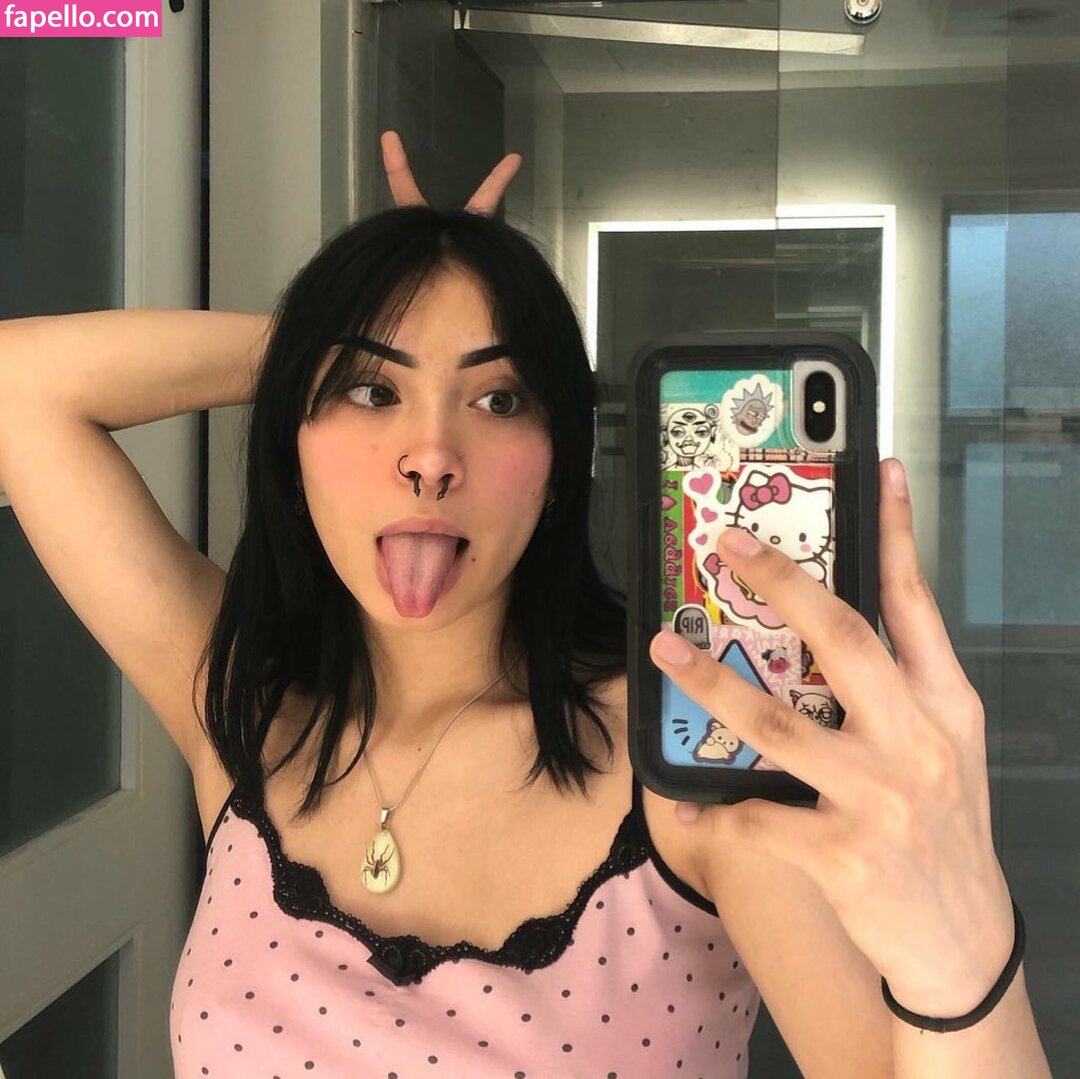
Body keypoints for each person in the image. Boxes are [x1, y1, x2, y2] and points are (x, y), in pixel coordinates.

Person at [0, 131, 1049, 1078]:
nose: (430, 453)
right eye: (371, 390)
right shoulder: (246, 714)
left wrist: (961, 952)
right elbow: (18, 387)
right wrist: (350, 319)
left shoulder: (691, 764)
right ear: (295, 439)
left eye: (498, 396)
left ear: (558, 466)